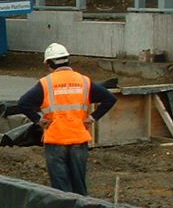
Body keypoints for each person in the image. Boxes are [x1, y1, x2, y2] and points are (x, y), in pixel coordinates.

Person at [17, 43, 117, 195]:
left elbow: (23, 103)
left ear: (49, 63)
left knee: (61, 190)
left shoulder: (46, 83)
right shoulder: (83, 81)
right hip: (78, 140)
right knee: (79, 187)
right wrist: (92, 117)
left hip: (56, 140)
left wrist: (38, 120)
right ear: (67, 61)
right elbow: (109, 98)